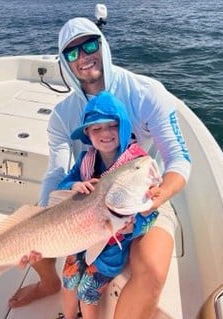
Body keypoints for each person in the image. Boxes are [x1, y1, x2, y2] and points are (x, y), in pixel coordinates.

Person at [9, 17, 191, 319]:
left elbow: (179, 158)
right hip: (88, 200)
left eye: (90, 45)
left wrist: (157, 198)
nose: (83, 57)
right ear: (64, 61)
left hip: (143, 192)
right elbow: (57, 172)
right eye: (72, 52)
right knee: (28, 231)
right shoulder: (62, 115)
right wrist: (44, 215)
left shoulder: (147, 93)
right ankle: (49, 281)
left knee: (152, 272)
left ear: (103, 46)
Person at [59, 90, 159, 319]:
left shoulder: (138, 166)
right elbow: (65, 183)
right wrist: (74, 186)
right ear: (88, 134)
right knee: (68, 281)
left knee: (87, 292)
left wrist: (134, 227)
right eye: (96, 128)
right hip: (80, 235)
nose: (105, 133)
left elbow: (151, 212)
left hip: (111, 248)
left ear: (123, 126)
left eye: (112, 125)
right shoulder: (86, 159)